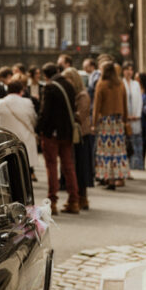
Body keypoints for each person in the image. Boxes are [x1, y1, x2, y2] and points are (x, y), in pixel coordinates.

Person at [36, 63, 80, 214]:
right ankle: (74, 200)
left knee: (52, 166)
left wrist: (39, 129)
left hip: (52, 133)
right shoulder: (69, 85)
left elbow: (45, 112)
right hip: (66, 132)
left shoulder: (49, 87)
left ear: (45, 75)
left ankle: (52, 202)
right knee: (68, 166)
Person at [92, 60, 130, 191]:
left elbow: (97, 106)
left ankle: (109, 178)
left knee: (105, 151)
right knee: (118, 151)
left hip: (105, 122)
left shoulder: (101, 84)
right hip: (118, 121)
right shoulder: (120, 84)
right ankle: (118, 176)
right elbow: (125, 103)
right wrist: (125, 119)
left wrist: (94, 122)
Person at [0, 78, 39, 179]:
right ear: (21, 90)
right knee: (23, 165)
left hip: (5, 139)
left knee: (6, 166)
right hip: (24, 137)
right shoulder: (27, 102)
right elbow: (33, 119)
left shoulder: (0, 102)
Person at [63, 67, 93, 209]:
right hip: (75, 135)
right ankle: (78, 196)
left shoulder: (82, 95)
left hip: (82, 136)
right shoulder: (74, 94)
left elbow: (80, 115)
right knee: (76, 166)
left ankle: (83, 197)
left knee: (81, 166)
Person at [122, 62, 143, 172]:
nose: (129, 72)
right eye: (127, 69)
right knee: (126, 142)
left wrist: (137, 114)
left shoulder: (136, 84)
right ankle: (126, 166)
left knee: (136, 141)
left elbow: (139, 100)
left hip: (135, 117)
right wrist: (126, 116)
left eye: (131, 70)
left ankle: (137, 164)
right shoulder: (121, 83)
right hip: (126, 118)